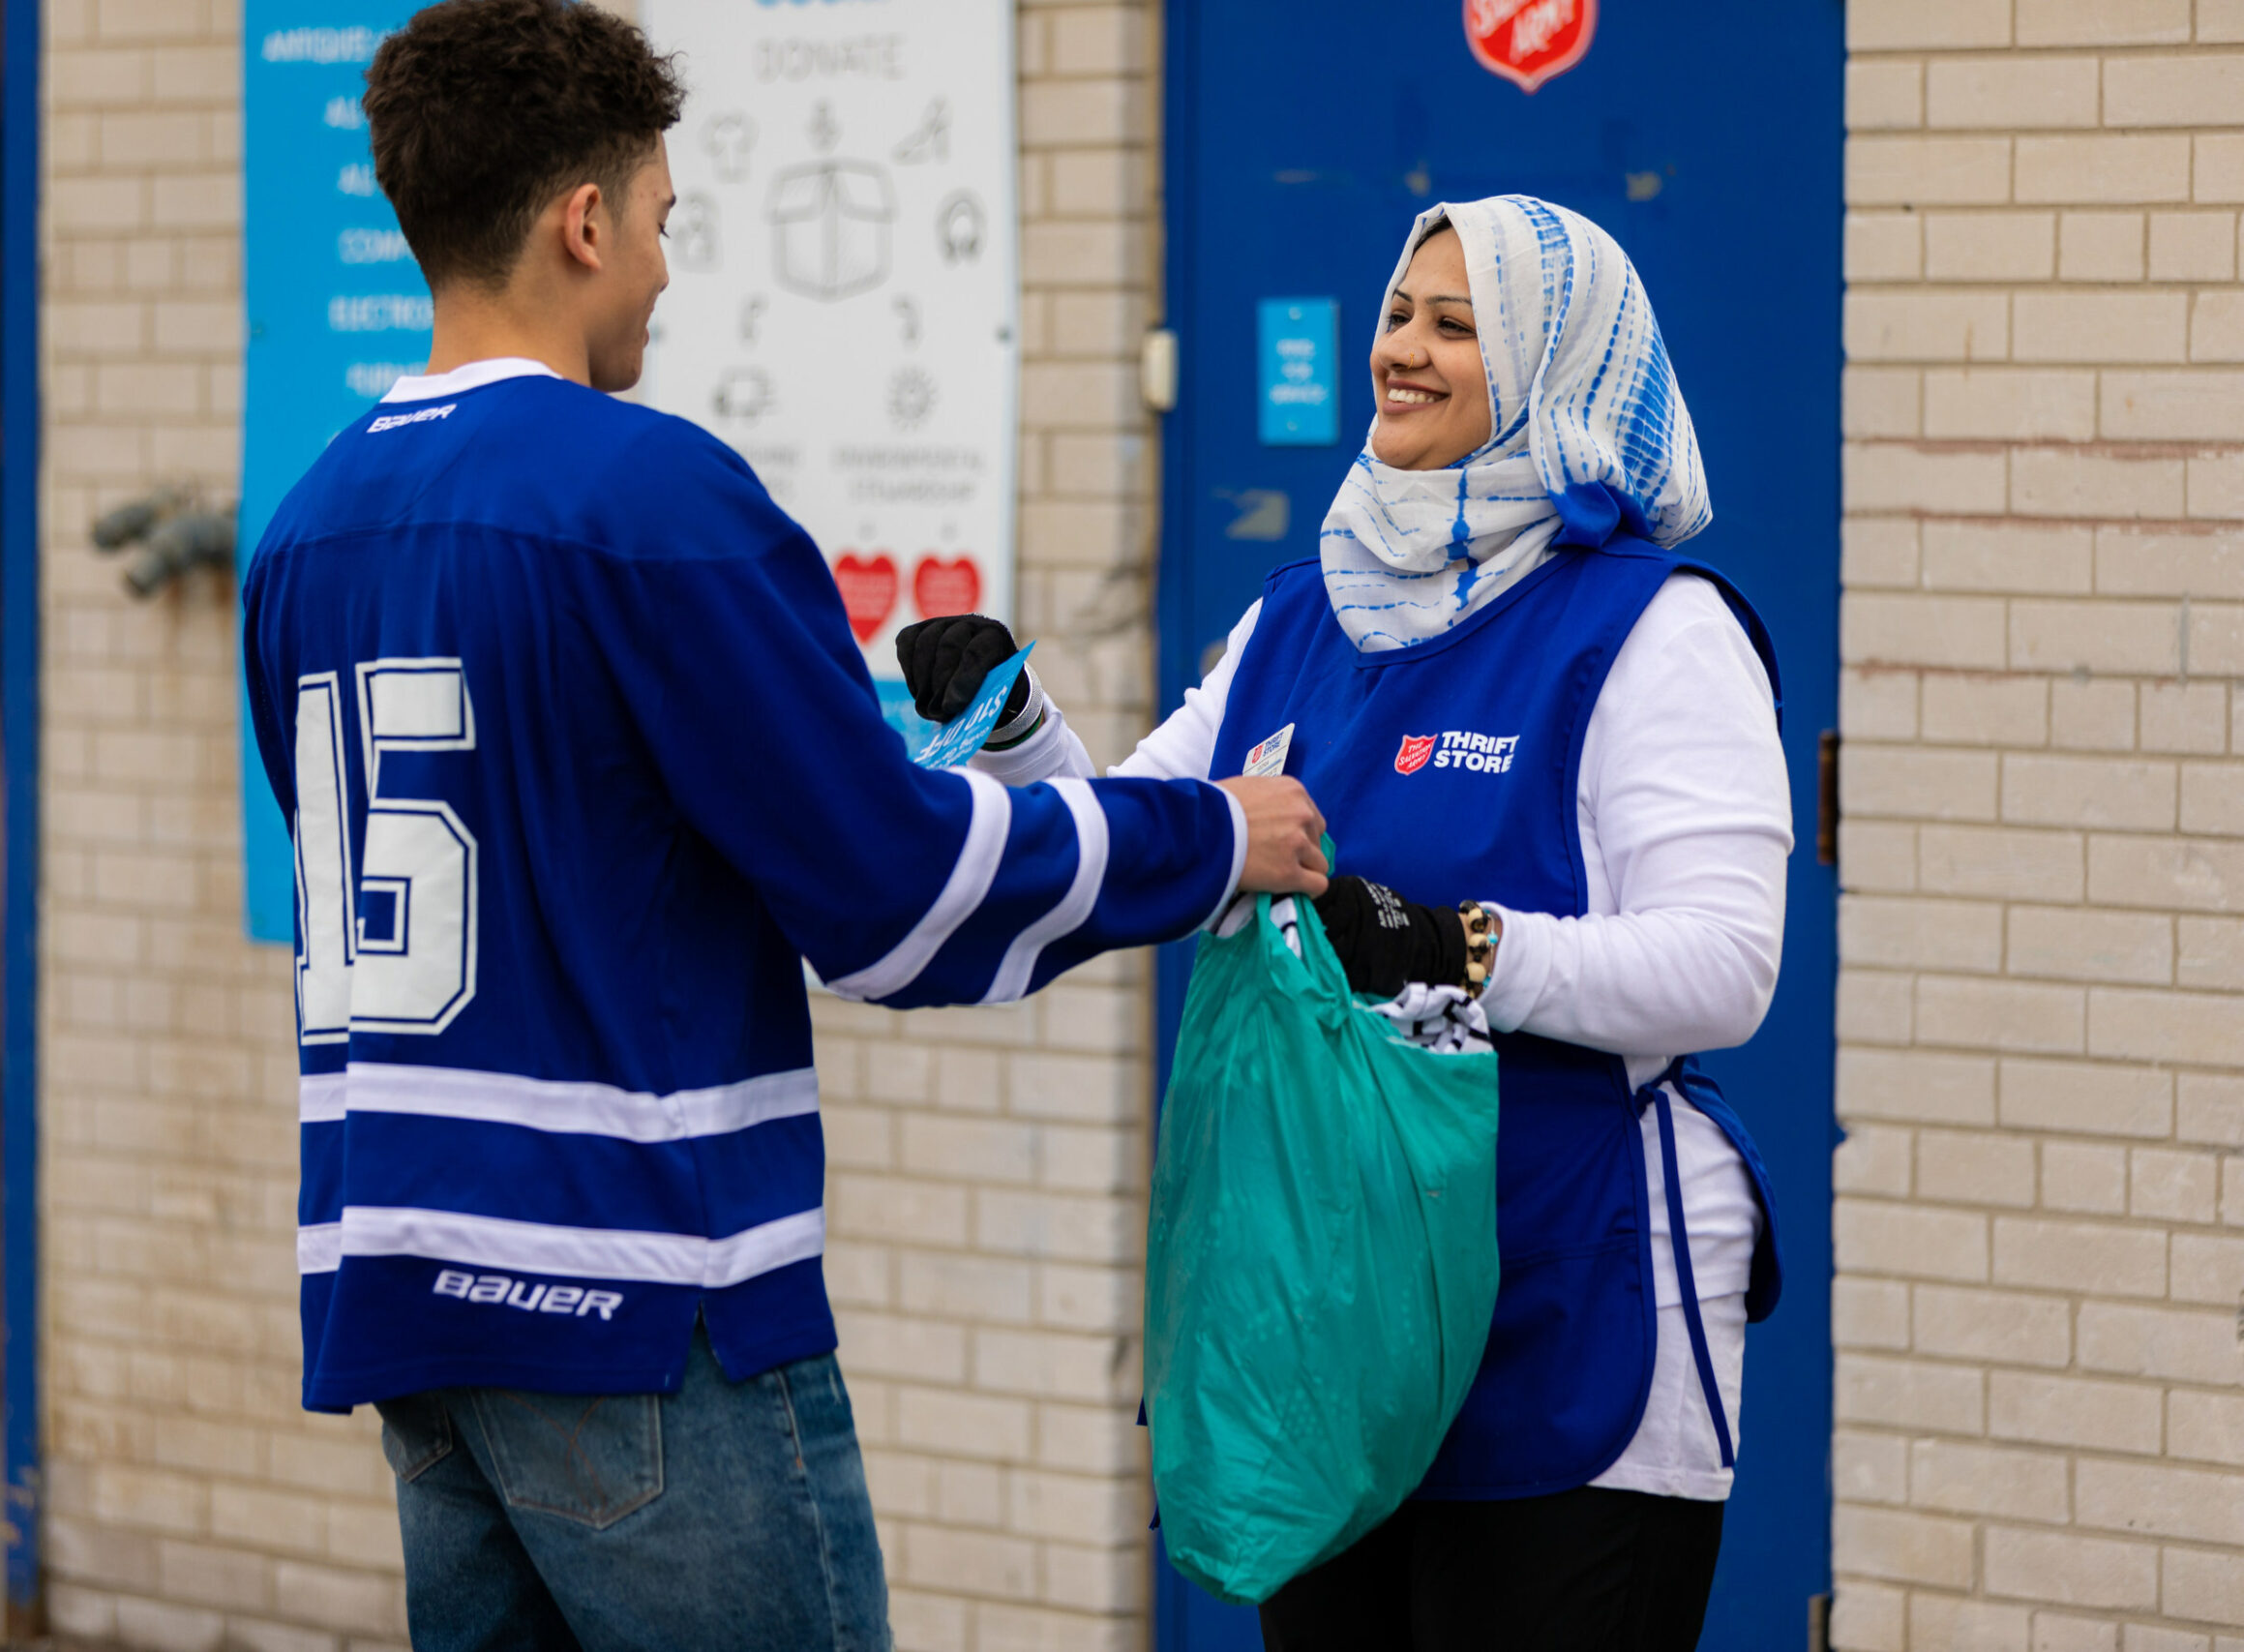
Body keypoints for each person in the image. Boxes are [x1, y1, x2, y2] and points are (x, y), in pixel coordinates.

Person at [236, 5, 1329, 1648]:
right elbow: (889, 896)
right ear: (583, 222)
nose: (668, 275)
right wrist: (1206, 835)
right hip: (635, 1303)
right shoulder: (650, 499)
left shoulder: (302, 531)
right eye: (664, 223)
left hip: (405, 1283)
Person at [899, 195, 1792, 1652]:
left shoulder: (1650, 627)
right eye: (1398, 313)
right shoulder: (1306, 609)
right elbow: (1145, 832)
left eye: (1460, 326)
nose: (1407, 351)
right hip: (1324, 1306)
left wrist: (1462, 947)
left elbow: (1724, 965)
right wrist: (1013, 730)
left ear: (1563, 368)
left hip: (1566, 1305)